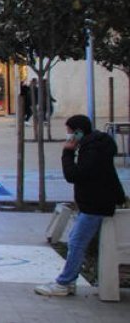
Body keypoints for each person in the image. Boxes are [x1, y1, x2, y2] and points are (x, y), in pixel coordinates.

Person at [34, 115, 127, 297]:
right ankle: (69, 281)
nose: (67, 136)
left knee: (76, 242)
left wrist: (67, 152)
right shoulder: (96, 146)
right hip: (97, 202)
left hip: (95, 204)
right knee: (78, 240)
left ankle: (64, 283)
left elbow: (73, 175)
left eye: (69, 132)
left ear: (78, 132)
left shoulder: (92, 151)